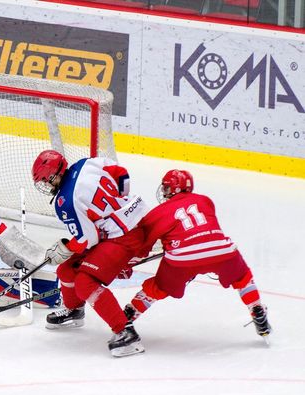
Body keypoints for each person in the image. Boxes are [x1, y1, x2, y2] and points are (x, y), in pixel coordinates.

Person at [122, 169, 272, 340]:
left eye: (166, 188)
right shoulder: (205, 200)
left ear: (174, 189)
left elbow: (143, 245)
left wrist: (127, 262)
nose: (164, 192)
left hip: (182, 259)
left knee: (158, 287)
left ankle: (128, 315)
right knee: (243, 277)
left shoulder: (159, 211)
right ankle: (256, 309)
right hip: (221, 250)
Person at [31, 150, 150, 357]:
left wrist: (66, 248)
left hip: (124, 237)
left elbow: (88, 239)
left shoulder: (65, 202)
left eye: (46, 181)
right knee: (66, 270)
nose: (47, 186)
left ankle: (126, 332)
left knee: (85, 282)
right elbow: (121, 172)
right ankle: (74, 310)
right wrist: (120, 202)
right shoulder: (87, 164)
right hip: (135, 220)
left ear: (54, 176)